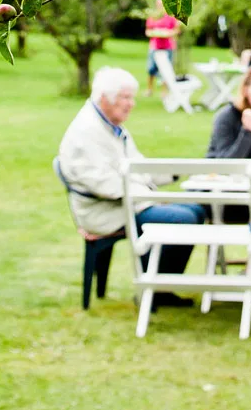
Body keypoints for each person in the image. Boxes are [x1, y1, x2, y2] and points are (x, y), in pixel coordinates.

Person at [55, 65, 203, 285]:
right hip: (104, 212)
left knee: (197, 211)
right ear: (105, 97)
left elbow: (137, 166)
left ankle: (163, 285)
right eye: (125, 97)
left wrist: (178, 171)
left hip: (127, 203)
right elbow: (104, 185)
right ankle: (151, 287)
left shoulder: (112, 127)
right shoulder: (85, 132)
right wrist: (152, 199)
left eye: (131, 98)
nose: (131, 104)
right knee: (184, 219)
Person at [143, 6, 182, 91]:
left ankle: (164, 91)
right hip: (154, 46)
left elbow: (177, 30)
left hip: (168, 47)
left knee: (166, 70)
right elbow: (148, 31)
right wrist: (155, 33)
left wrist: (168, 33)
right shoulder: (153, 17)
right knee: (151, 69)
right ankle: (149, 89)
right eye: (159, 4)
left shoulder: (172, 17)